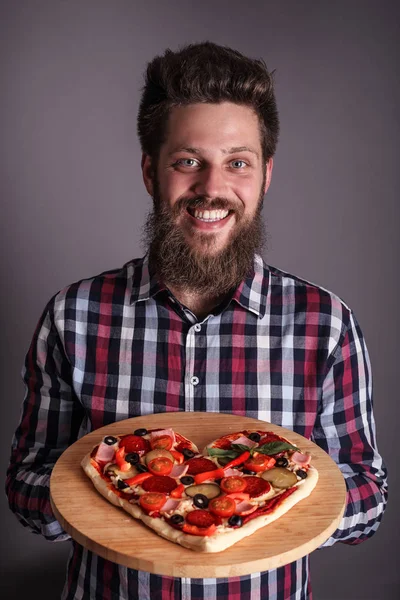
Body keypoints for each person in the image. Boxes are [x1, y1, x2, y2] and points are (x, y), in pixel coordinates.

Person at [6, 41, 387, 600]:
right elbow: (27, 488)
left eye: (237, 163)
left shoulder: (325, 324)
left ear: (266, 174)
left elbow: (368, 498)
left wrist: (246, 502)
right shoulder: (75, 315)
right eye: (188, 162)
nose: (212, 188)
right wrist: (128, 494)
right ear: (149, 171)